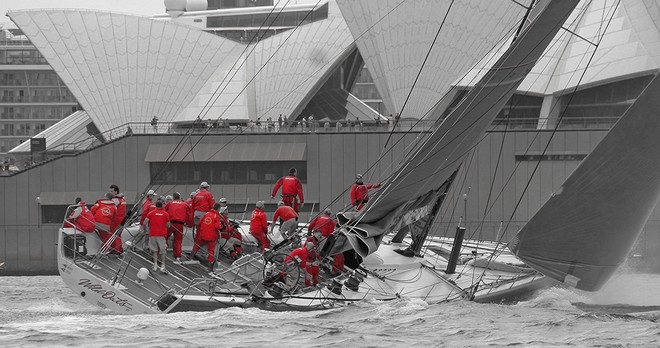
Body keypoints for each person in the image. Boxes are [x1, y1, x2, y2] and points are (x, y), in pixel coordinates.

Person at [190, 203, 222, 272]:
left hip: (203, 235)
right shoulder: (216, 216)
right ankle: (209, 267)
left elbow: (200, 223)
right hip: (211, 236)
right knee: (211, 250)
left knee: (197, 245)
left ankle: (190, 258)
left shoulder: (206, 214)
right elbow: (218, 227)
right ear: (218, 209)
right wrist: (221, 225)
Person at [144, 200, 171, 274]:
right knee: (163, 250)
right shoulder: (166, 214)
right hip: (161, 235)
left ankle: (155, 264)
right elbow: (168, 225)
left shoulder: (151, 213)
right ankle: (163, 265)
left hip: (152, 234)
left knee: (154, 250)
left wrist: (146, 230)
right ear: (162, 206)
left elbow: (145, 223)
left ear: (155, 206)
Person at [165, 192, 191, 262]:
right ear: (179, 197)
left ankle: (163, 251)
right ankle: (178, 256)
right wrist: (188, 223)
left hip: (171, 224)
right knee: (178, 240)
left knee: (165, 237)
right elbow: (189, 214)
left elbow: (165, 211)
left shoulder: (170, 203)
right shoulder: (185, 204)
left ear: (173, 197)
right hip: (180, 224)